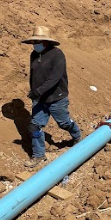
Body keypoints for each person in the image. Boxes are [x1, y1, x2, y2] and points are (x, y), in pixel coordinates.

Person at [21, 26, 82, 168]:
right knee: (34, 126)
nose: (35, 44)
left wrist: (39, 90)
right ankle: (39, 155)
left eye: (38, 41)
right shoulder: (34, 55)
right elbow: (33, 76)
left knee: (64, 123)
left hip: (56, 98)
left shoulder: (57, 54)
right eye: (34, 42)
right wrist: (34, 91)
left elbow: (56, 77)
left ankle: (77, 135)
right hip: (39, 99)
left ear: (46, 42)